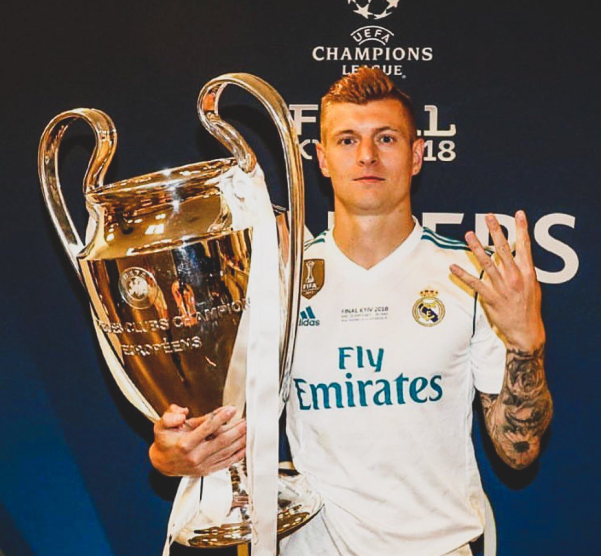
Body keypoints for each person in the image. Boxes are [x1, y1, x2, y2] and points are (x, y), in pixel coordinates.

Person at [150, 67, 553, 556]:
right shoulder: (279, 281)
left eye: (386, 138)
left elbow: (518, 451)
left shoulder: (470, 276)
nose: (366, 155)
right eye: (347, 140)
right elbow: (228, 425)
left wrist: (527, 343)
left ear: (417, 154)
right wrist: (174, 453)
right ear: (322, 159)